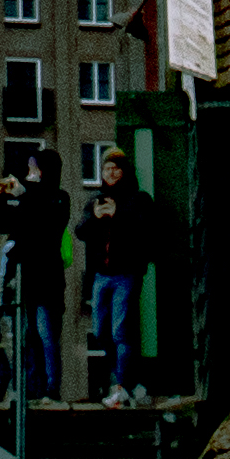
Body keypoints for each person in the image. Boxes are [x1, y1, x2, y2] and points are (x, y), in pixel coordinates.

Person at [0, 149, 69, 403]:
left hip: (47, 278)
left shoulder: (59, 198)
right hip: (26, 278)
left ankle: (51, 389)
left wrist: (25, 193)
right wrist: (0, 200)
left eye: (34, 168)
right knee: (27, 336)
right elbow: (6, 226)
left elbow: (47, 224)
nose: (29, 174)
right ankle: (30, 388)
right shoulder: (30, 198)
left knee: (46, 334)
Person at [75, 170, 148, 397]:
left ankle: (122, 384)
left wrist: (119, 214)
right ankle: (130, 382)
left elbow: (146, 229)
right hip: (101, 274)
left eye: (117, 167)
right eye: (107, 168)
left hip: (125, 273)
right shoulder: (96, 199)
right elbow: (80, 232)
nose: (112, 173)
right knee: (100, 332)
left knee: (121, 331)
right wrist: (94, 218)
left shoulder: (137, 199)